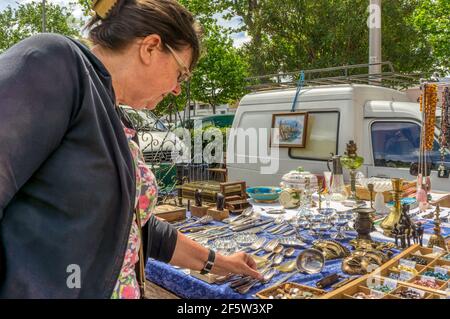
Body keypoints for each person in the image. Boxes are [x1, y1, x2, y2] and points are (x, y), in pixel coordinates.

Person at [0, 0, 261, 299]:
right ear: (150, 47)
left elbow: (133, 227)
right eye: (181, 74)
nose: (177, 89)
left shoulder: (115, 116)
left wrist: (218, 261)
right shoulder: (56, 60)